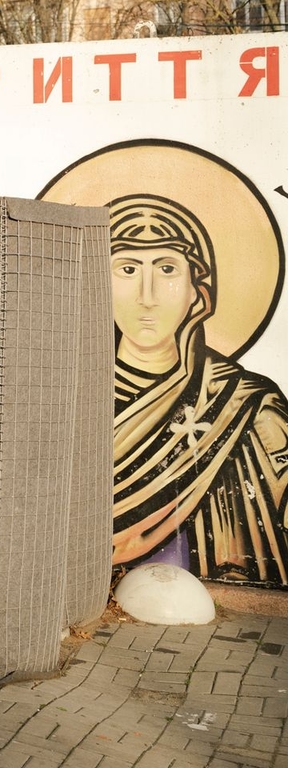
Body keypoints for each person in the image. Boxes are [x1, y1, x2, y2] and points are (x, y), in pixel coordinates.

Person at [108, 194, 288, 584]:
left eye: (167, 268)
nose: (147, 295)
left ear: (196, 290)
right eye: (126, 269)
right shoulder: (65, 393)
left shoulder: (248, 405)